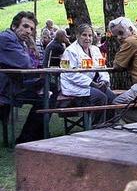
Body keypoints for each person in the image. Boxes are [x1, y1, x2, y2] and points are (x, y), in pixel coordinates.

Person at [0, 11, 53, 143]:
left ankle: (33, 135)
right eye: (25, 26)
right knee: (49, 92)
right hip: (7, 88)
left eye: (31, 29)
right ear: (14, 26)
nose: (29, 31)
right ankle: (29, 137)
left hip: (16, 83)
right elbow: (26, 63)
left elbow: (34, 62)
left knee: (50, 89)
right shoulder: (6, 38)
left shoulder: (18, 40)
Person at [59, 23, 115, 125]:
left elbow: (102, 67)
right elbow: (69, 74)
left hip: (93, 85)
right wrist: (92, 84)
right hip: (73, 86)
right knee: (100, 97)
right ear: (77, 36)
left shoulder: (95, 49)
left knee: (112, 97)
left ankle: (110, 125)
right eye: (84, 35)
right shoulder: (69, 51)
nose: (87, 38)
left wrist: (104, 80)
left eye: (90, 35)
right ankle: (95, 126)